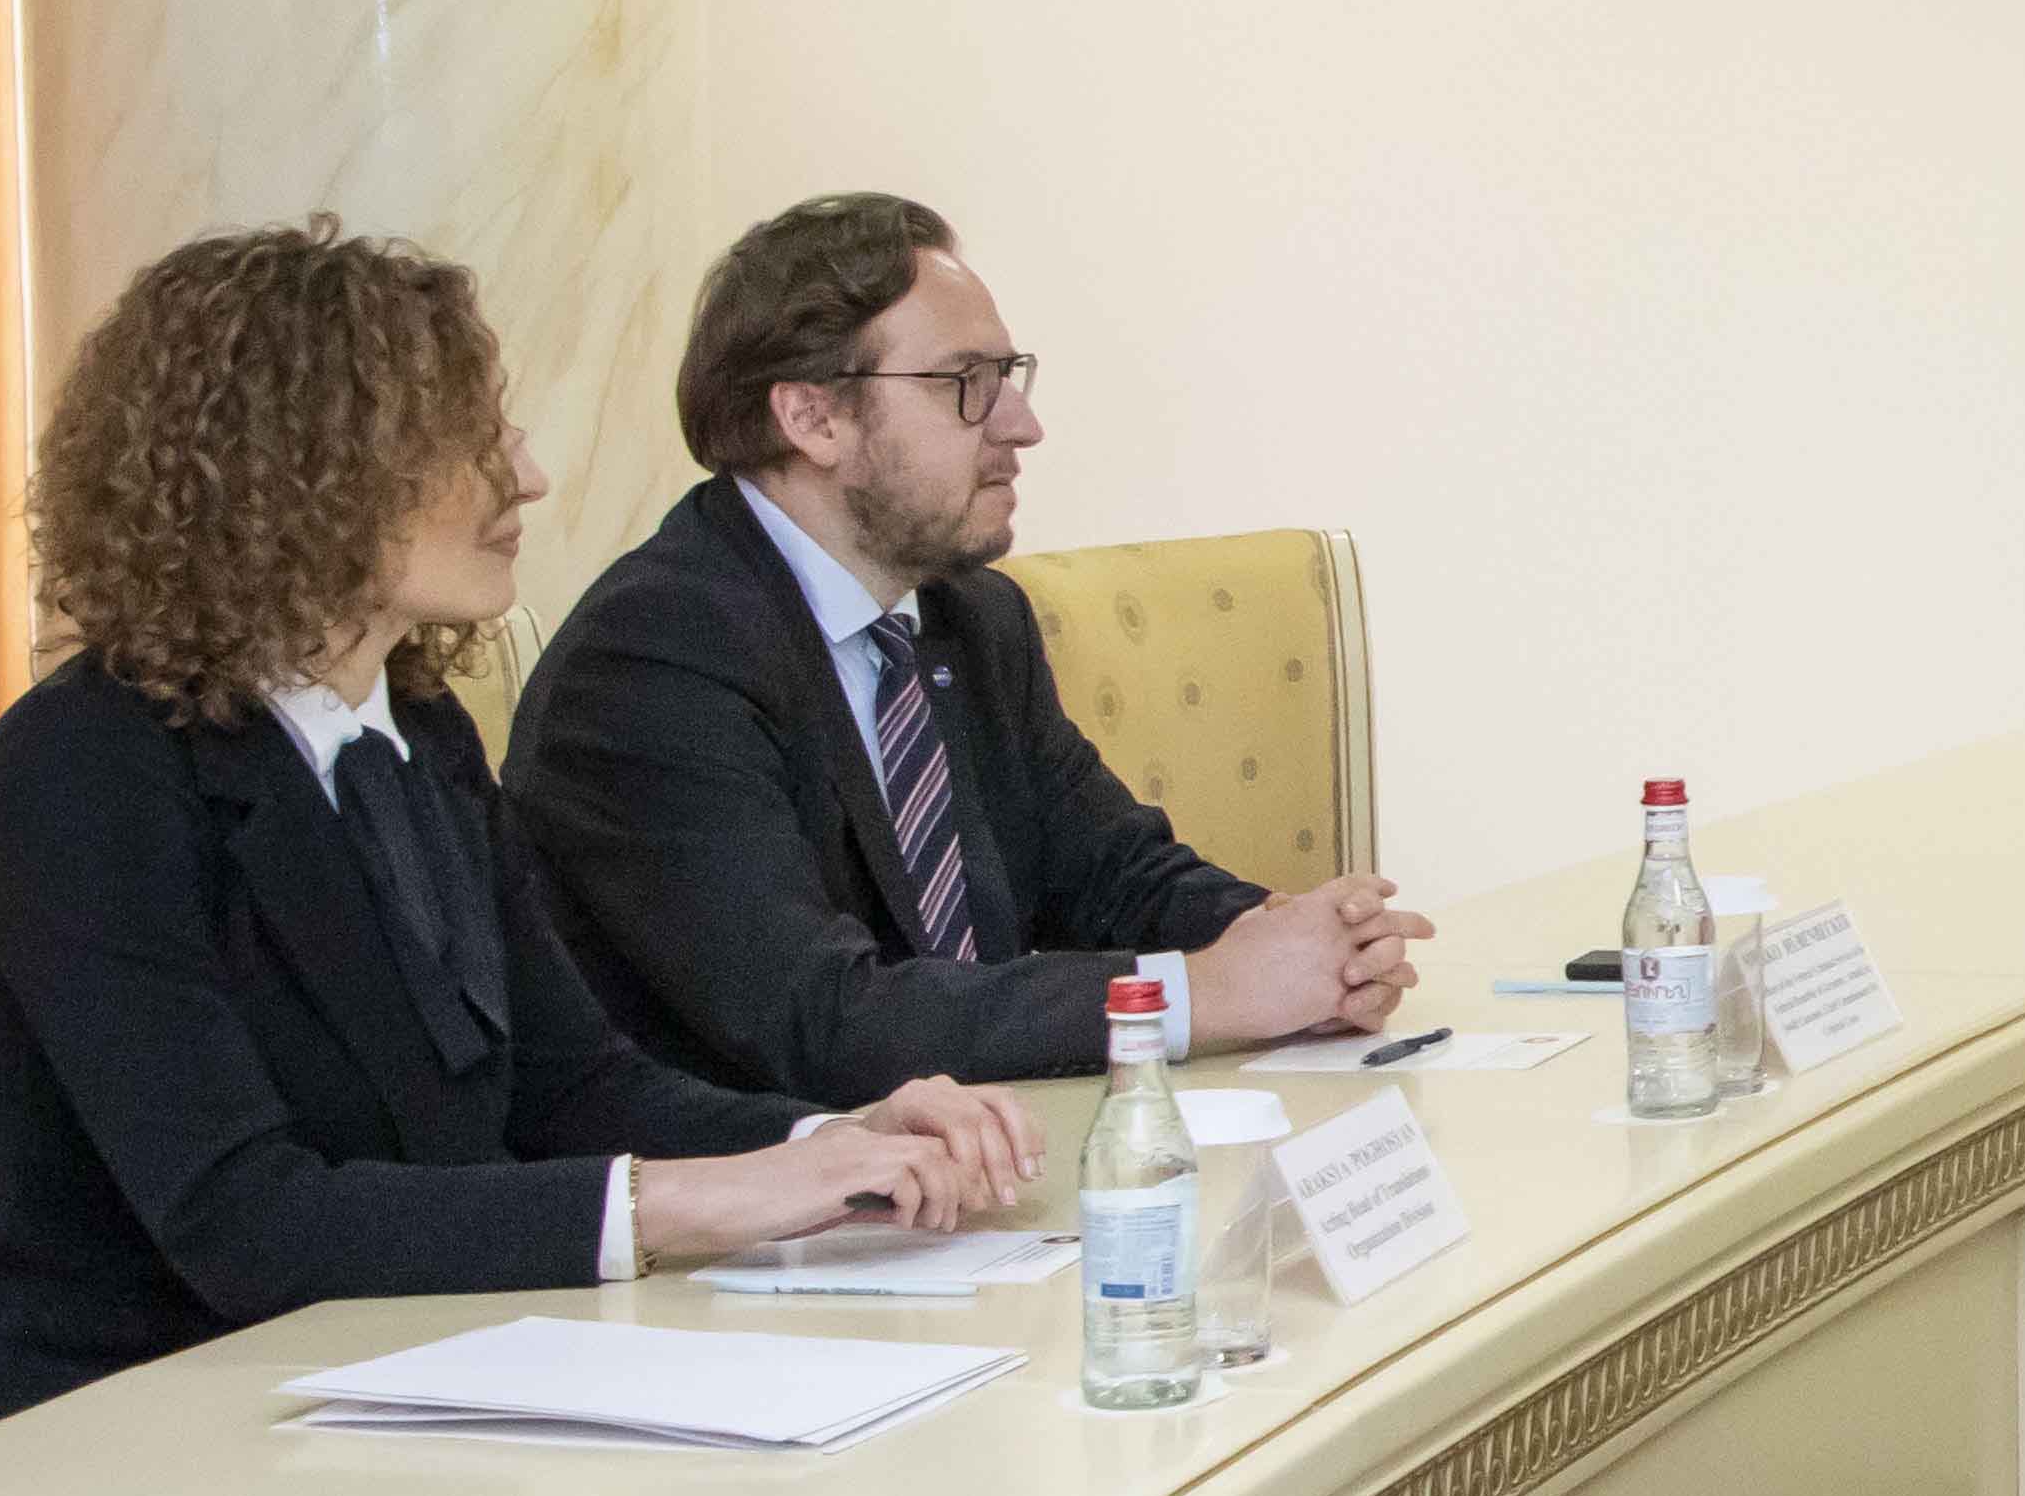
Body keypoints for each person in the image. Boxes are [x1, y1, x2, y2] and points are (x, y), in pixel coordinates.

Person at [0, 224, 1039, 1463]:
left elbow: (572, 1084)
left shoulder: (421, 734)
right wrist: (695, 1202)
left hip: (373, 1390)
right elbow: (245, 1220)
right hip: (99, 1435)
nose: (527, 475)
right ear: (303, 473)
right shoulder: (81, 770)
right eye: (471, 439)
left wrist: (834, 1143)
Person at [513, 195, 1423, 1100]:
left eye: (1009, 376)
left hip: (980, 1156)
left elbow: (1112, 873)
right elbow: (824, 1018)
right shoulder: (651, 662)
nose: (1020, 424)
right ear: (813, 417)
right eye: (966, 382)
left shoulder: (973, 617)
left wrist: (1304, 940)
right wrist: (1197, 993)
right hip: (770, 1177)